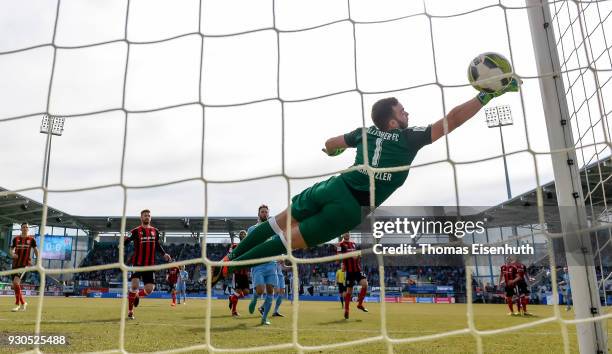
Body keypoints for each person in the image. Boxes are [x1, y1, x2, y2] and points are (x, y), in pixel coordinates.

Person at [209, 78, 522, 286]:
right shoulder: (409, 138)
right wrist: (485, 95)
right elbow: (451, 120)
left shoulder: (365, 132)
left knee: (276, 224)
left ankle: (229, 257)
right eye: (403, 110)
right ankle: (227, 269)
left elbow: (330, 142)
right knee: (284, 242)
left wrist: (332, 152)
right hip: (349, 208)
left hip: (332, 186)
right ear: (392, 121)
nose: (407, 113)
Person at [124, 209, 171, 320]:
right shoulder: (135, 231)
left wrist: (164, 254)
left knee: (149, 289)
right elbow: (126, 241)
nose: (147, 217)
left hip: (150, 265)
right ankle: (130, 311)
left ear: (150, 218)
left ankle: (137, 295)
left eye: (148, 216)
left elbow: (157, 245)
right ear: (141, 217)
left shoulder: (155, 231)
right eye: (145, 215)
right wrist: (123, 241)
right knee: (134, 285)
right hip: (137, 264)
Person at [246, 205, 278, 325]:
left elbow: (277, 242)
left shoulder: (273, 228)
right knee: (260, 290)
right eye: (262, 212)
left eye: (266, 212)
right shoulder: (252, 229)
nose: (264, 214)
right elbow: (248, 245)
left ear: (268, 214)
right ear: (258, 214)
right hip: (258, 264)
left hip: (271, 264)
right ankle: (254, 298)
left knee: (270, 291)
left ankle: (264, 318)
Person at [337, 233, 368, 319]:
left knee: (365, 284)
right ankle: (346, 310)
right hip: (349, 272)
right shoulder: (340, 245)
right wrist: (349, 257)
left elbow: (358, 255)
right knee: (349, 292)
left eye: (348, 233)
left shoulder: (353, 244)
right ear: (343, 235)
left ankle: (360, 304)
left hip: (358, 270)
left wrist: (358, 256)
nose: (347, 234)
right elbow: (339, 256)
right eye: (345, 233)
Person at [10, 222, 39, 312]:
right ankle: (23, 303)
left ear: (28, 229)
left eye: (27, 227)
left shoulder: (31, 239)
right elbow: (11, 249)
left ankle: (17, 304)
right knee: (15, 285)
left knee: (15, 282)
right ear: (21, 229)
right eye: (23, 227)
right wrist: (12, 254)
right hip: (15, 264)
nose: (25, 228)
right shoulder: (16, 239)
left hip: (24, 265)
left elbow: (36, 250)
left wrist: (38, 262)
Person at [228, 230, 251, 317]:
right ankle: (234, 311)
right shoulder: (234, 246)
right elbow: (229, 256)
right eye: (241, 234)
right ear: (239, 236)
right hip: (237, 272)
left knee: (246, 292)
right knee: (238, 291)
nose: (243, 235)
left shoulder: (248, 247)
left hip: (245, 273)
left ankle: (232, 297)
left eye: (244, 234)